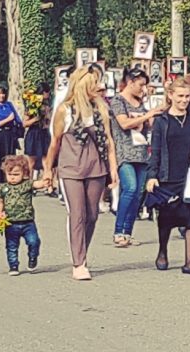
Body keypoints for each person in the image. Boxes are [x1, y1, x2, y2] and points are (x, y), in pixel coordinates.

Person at [42, 65, 119, 280]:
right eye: (95, 84)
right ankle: (79, 262)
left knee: (92, 214)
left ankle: (82, 249)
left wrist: (113, 168)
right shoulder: (65, 110)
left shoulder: (101, 109)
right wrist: (49, 169)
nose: (100, 87)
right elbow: (55, 142)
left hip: (96, 168)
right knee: (78, 213)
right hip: (71, 168)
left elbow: (109, 141)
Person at [146, 77, 190, 274]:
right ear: (171, 96)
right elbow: (155, 150)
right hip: (168, 176)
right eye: (180, 96)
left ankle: (189, 261)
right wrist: (152, 175)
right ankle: (163, 251)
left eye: (187, 96)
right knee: (166, 218)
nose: (184, 100)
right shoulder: (161, 121)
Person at [109, 67, 163, 248]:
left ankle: (128, 232)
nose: (143, 89)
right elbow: (124, 123)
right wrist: (148, 114)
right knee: (130, 188)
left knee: (139, 193)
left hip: (141, 152)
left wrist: (155, 114)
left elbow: (148, 125)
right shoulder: (118, 101)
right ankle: (118, 231)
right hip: (124, 152)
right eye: (140, 85)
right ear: (130, 82)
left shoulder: (140, 102)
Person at [0, 154, 43, 274]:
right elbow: (0, 200)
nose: (12, 177)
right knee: (11, 246)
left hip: (28, 222)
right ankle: (13, 266)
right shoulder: (4, 188)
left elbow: (39, 184)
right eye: (9, 174)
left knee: (34, 241)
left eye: (16, 174)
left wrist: (47, 179)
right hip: (11, 222)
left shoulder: (27, 184)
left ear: (24, 173)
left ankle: (33, 258)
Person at [23, 82, 51, 178]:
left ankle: (48, 185)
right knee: (32, 161)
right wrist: (35, 119)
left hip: (45, 133)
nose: (47, 94)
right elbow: (25, 123)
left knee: (47, 160)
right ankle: (29, 184)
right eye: (46, 92)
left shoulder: (48, 105)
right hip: (34, 133)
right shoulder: (32, 105)